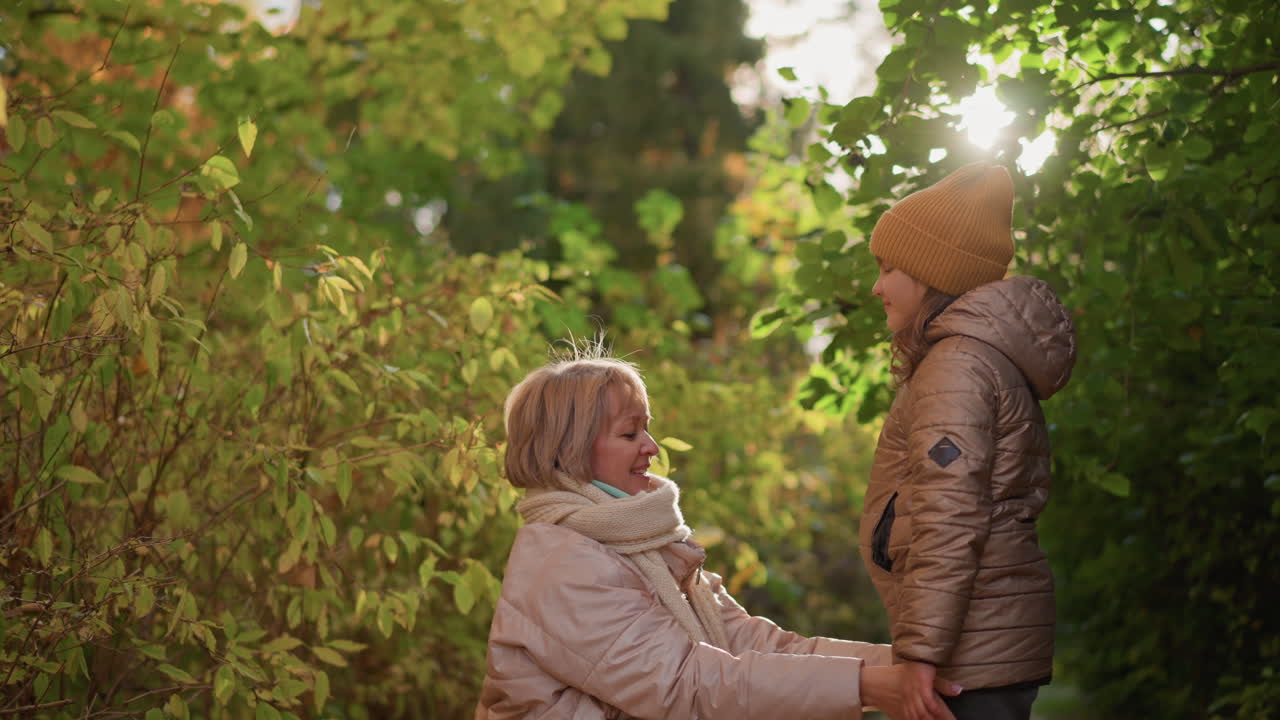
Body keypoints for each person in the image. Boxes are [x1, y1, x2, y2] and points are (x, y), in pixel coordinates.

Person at [477, 345, 961, 719]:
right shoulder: (563, 563)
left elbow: (756, 646)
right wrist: (869, 686)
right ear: (569, 452)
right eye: (630, 434)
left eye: (647, 430)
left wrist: (906, 664)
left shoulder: (643, 542)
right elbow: (684, 685)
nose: (650, 447)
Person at [858, 161, 1077, 720]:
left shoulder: (956, 366)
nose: (876, 286)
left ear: (932, 271)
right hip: (982, 640)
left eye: (888, 268)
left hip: (969, 653)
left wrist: (920, 656)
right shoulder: (971, 359)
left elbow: (949, 517)